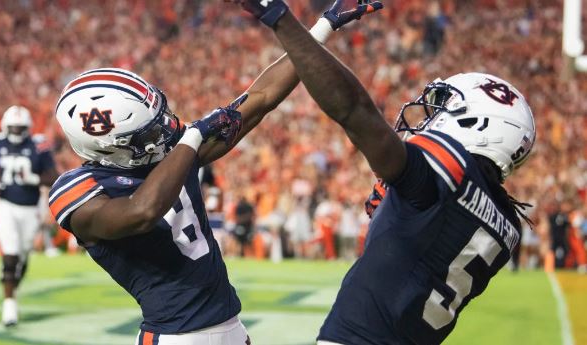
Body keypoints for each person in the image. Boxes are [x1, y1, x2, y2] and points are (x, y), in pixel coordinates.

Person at [48, 4, 381, 343]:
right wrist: (192, 140)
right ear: (108, 146)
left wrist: (320, 29)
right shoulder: (77, 191)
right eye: (148, 132)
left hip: (231, 328)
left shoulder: (171, 151)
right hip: (174, 336)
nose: (165, 130)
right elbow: (140, 212)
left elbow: (260, 98)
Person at [230, 1, 536, 344]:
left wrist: (280, 18)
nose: (430, 118)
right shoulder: (506, 223)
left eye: (446, 108)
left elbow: (354, 110)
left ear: (479, 123)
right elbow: (418, 251)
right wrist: (394, 210)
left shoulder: (447, 171)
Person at [0, 106, 59, 326]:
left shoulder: (38, 145)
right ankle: (9, 306)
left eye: (20, 128)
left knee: (23, 255)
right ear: (5, 127)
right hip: (4, 204)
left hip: (30, 207)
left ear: (28, 128)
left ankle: (11, 287)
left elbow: (53, 176)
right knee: (12, 253)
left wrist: (33, 179)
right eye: (13, 127)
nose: (16, 131)